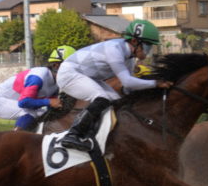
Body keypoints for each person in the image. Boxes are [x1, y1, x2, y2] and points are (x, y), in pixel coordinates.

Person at [56, 19, 172, 151]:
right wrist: (156, 83)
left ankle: (97, 134)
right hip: (69, 73)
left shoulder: (129, 59)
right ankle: (73, 134)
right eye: (147, 46)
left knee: (117, 102)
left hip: (87, 76)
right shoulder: (114, 49)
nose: (148, 51)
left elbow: (128, 88)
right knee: (102, 98)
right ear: (134, 41)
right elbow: (128, 81)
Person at [0, 45, 76, 131]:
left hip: (15, 101)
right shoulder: (38, 76)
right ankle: (13, 141)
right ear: (56, 65)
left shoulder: (57, 81)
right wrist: (49, 102)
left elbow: (51, 108)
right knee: (30, 113)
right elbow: (24, 102)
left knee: (43, 114)